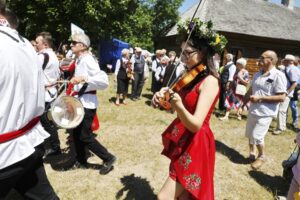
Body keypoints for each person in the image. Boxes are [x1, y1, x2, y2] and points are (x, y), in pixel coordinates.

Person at [152, 18, 225, 199]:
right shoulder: (189, 76)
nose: (183, 58)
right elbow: (170, 108)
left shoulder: (210, 81)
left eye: (188, 53)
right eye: (182, 53)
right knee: (183, 197)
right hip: (184, 138)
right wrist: (162, 99)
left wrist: (178, 106)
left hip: (196, 141)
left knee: (164, 197)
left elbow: (196, 124)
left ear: (203, 52)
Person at [0, 1, 59, 199]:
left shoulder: (44, 53)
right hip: (27, 142)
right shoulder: (24, 43)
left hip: (8, 152)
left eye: (40, 42)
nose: (38, 44)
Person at [69, 33, 116, 175]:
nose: (71, 45)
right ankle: (81, 161)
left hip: (87, 103)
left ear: (82, 46)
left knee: (84, 135)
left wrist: (84, 78)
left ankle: (108, 158)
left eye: (73, 42)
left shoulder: (88, 59)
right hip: (79, 102)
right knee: (76, 133)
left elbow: (103, 81)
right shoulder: (79, 60)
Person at [241, 50, 287, 170]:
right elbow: (251, 90)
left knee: (257, 136)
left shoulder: (278, 75)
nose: (259, 60)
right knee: (250, 134)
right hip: (253, 110)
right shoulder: (257, 74)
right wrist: (243, 103)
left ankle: (262, 156)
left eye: (262, 58)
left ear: (270, 60)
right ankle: (252, 153)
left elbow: (282, 97)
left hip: (265, 113)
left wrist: (261, 98)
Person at [35, 31, 62, 158]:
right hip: (50, 91)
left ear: (45, 44)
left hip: (45, 93)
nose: (36, 45)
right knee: (47, 121)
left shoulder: (43, 56)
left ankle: (54, 147)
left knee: (45, 121)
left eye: (38, 43)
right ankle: (53, 146)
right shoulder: (52, 54)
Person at [273, 54, 300, 135]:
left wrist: (287, 92)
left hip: (286, 93)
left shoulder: (293, 69)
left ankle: (280, 128)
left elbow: (294, 83)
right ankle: (282, 126)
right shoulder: (287, 68)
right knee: (282, 110)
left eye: (285, 60)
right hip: (283, 92)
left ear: (290, 61)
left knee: (281, 110)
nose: (284, 61)